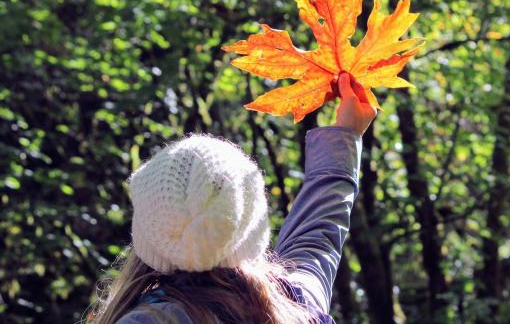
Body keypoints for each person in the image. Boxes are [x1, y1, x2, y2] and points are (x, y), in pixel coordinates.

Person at [87, 73, 377, 323]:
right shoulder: (298, 305)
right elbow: (317, 235)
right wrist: (346, 134)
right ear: (251, 224)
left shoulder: (146, 321)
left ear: (148, 232)